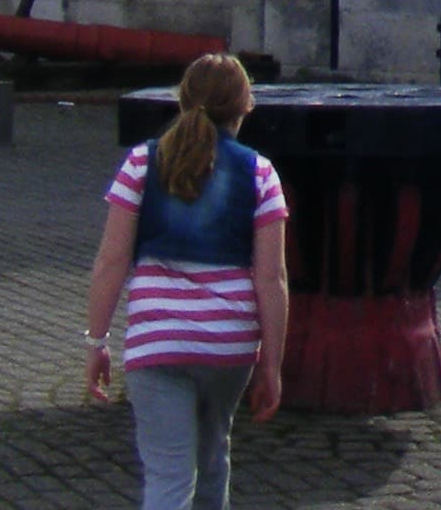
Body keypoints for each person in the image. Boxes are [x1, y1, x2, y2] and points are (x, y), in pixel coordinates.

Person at [83, 52, 291, 509]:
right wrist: (272, 365)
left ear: (182, 99)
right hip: (228, 346)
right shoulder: (260, 173)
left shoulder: (141, 163)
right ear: (244, 108)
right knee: (213, 458)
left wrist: (97, 341)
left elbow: (111, 261)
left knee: (169, 477)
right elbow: (272, 278)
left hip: (157, 342)